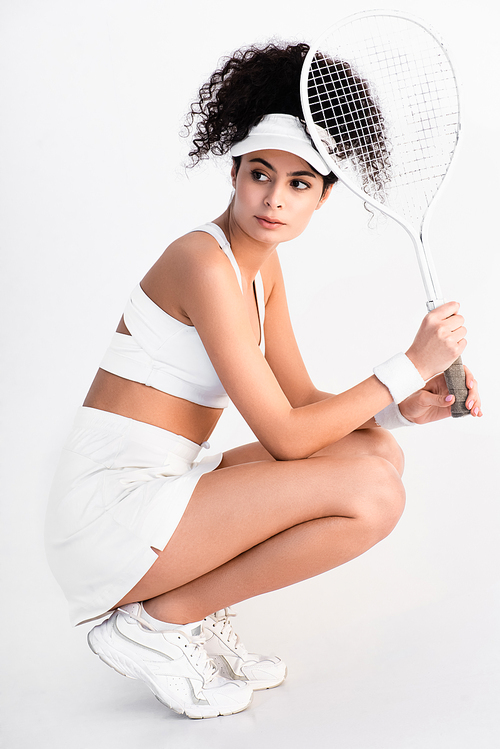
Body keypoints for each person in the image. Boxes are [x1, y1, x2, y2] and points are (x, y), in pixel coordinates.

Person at [45, 42, 482, 719]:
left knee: (377, 453)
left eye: (299, 183)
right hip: (113, 513)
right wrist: (408, 364)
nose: (274, 198)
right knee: (375, 496)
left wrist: (405, 405)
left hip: (166, 491)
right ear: (233, 173)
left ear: (325, 196)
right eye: (260, 175)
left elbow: (303, 404)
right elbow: (284, 437)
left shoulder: (262, 268)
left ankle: (173, 617)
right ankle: (158, 622)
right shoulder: (203, 262)